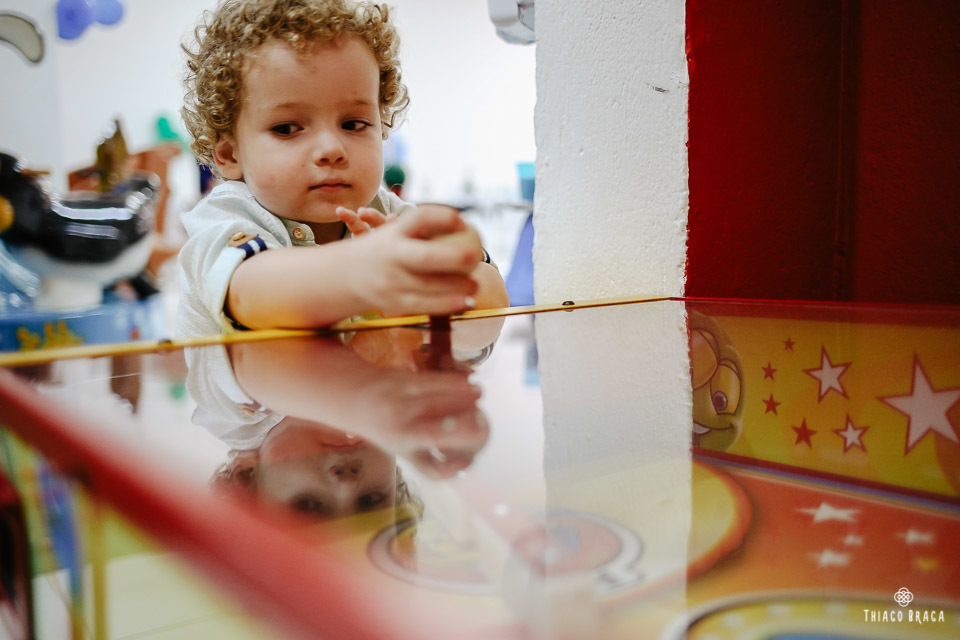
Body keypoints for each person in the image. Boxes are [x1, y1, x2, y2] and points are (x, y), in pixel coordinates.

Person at [178, 0, 508, 336]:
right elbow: (252, 293)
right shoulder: (226, 216)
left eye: (353, 123)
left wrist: (442, 277)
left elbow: (492, 298)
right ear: (229, 154)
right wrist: (364, 272)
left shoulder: (386, 214)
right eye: (287, 128)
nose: (331, 150)